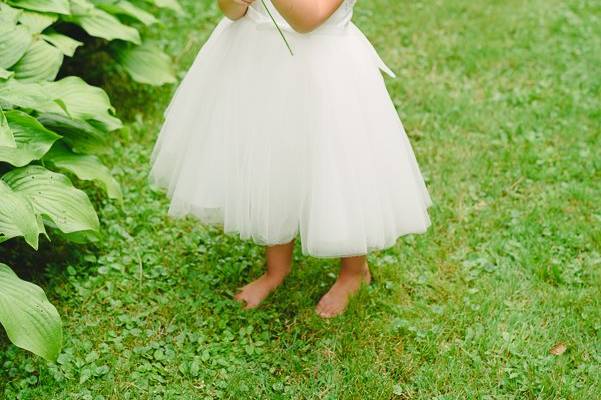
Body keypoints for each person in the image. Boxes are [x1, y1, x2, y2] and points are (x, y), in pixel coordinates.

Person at [148, 0, 433, 318]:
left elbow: (307, 19)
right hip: (258, 66)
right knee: (272, 163)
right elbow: (232, 11)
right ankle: (276, 268)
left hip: (324, 74)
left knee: (339, 168)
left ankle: (354, 271)